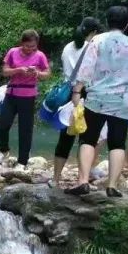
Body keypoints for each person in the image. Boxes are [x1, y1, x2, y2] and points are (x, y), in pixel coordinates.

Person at [67, 5, 128, 198]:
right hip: (122, 101)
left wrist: (77, 90)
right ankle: (112, 186)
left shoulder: (97, 41)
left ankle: (83, 182)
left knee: (88, 139)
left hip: (97, 98)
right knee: (117, 144)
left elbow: (86, 68)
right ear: (126, 24)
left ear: (108, 21)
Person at [51, 17, 102, 187]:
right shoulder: (93, 48)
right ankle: (83, 179)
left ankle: (56, 179)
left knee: (65, 138)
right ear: (94, 33)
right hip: (87, 94)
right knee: (88, 138)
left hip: (69, 95)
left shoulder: (68, 47)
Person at [0, 30, 50, 170]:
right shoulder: (13, 52)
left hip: (28, 96)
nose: (30, 49)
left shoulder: (40, 55)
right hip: (11, 93)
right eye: (27, 46)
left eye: (33, 47)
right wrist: (18, 70)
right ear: (22, 43)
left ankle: (22, 161)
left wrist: (37, 73)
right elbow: (5, 71)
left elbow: (47, 73)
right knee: (3, 124)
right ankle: (3, 151)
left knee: (25, 129)